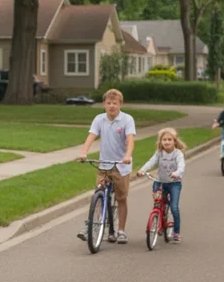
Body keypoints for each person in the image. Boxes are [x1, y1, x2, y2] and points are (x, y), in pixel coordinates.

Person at [77, 88, 136, 243]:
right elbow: (91, 136)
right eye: (108, 103)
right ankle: (91, 224)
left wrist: (127, 155)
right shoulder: (99, 119)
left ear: (120, 104)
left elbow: (130, 140)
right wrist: (84, 152)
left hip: (120, 165)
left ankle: (121, 230)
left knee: (121, 198)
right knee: (99, 193)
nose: (111, 106)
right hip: (103, 164)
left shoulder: (127, 120)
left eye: (114, 103)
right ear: (104, 104)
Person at [137, 128, 187, 243]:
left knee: (174, 207)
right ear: (160, 142)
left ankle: (176, 232)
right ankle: (158, 220)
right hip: (160, 182)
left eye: (170, 139)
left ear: (174, 141)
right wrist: (142, 170)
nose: (167, 142)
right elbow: (151, 162)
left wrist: (177, 173)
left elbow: (181, 166)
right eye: (164, 140)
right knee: (158, 203)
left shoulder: (178, 154)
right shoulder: (159, 153)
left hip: (174, 183)